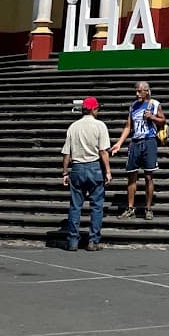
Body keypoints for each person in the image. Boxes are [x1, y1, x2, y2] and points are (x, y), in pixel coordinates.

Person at [60, 95, 111, 251]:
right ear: (93, 109)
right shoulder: (100, 125)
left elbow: (66, 153)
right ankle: (93, 241)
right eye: (97, 109)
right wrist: (108, 171)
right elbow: (103, 151)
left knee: (75, 206)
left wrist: (65, 172)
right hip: (94, 167)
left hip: (77, 168)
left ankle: (72, 241)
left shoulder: (73, 127)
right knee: (96, 206)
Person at [110, 79, 165, 221]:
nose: (137, 94)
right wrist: (119, 143)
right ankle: (130, 208)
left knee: (148, 176)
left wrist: (152, 117)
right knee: (131, 175)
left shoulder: (154, 104)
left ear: (147, 91)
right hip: (135, 142)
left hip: (149, 141)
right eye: (136, 91)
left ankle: (148, 208)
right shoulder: (133, 106)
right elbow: (128, 126)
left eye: (140, 91)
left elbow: (163, 120)